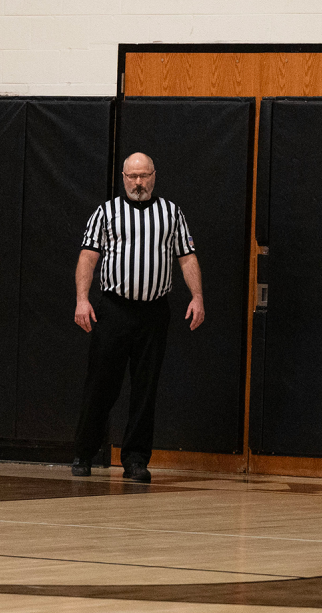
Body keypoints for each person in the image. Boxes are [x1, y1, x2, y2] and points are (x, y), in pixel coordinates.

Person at [71, 152, 205, 483]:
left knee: (146, 388)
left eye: (144, 175)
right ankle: (84, 453)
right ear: (123, 177)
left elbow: (187, 258)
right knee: (102, 384)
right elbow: (88, 258)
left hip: (154, 311)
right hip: (114, 309)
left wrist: (198, 297)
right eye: (132, 176)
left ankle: (135, 459)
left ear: (154, 176)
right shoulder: (106, 213)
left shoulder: (171, 213)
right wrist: (82, 300)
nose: (138, 182)